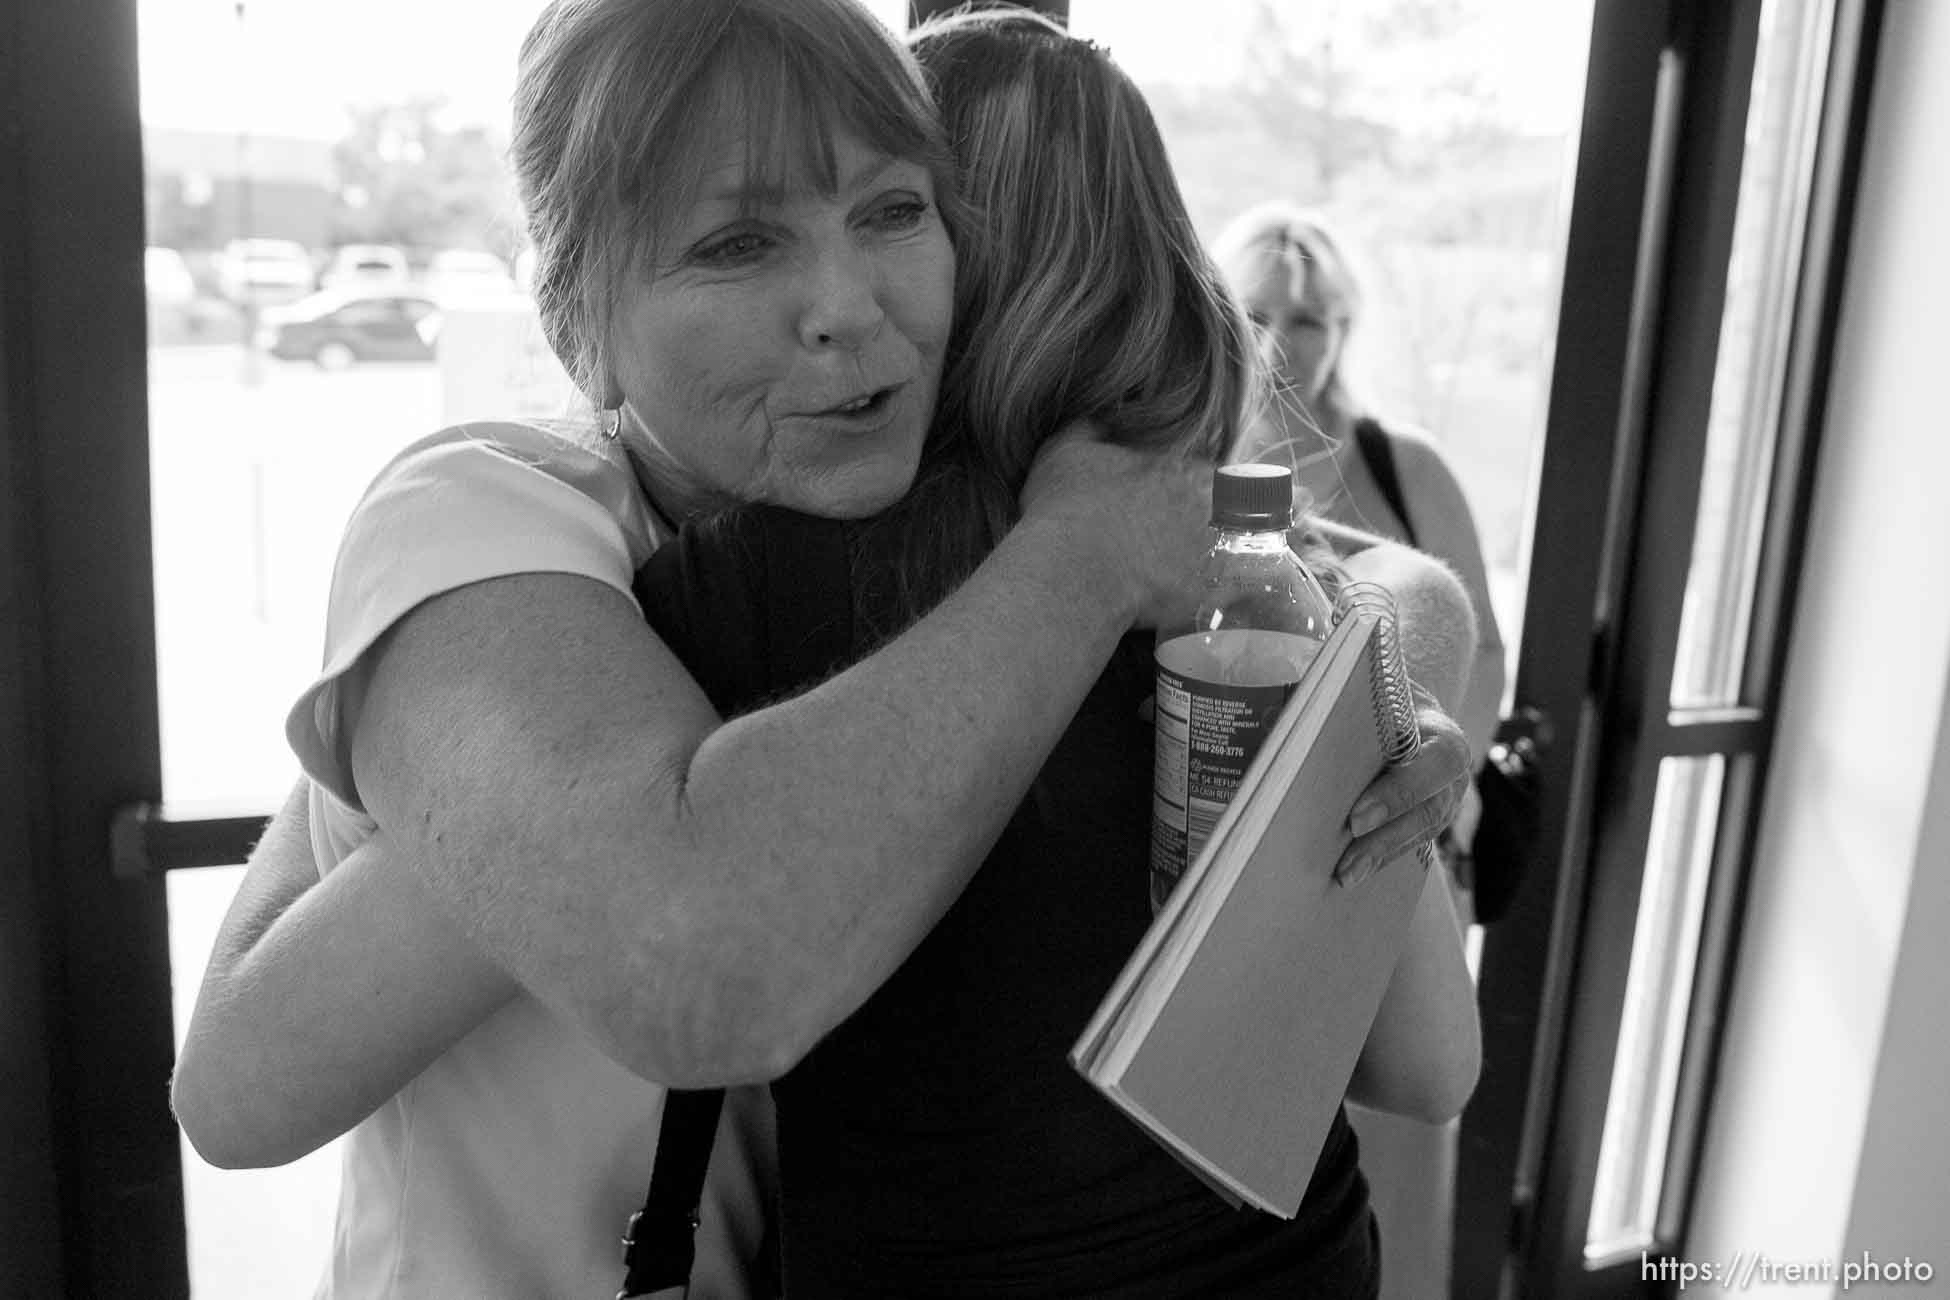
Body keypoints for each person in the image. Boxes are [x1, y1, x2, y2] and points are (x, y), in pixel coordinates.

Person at [172, 3, 1477, 1296]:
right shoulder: (517, 528)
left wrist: (1382, 671)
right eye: (738, 242)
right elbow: (243, 1090)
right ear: (575, 318)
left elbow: (1369, 570)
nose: (845, 307)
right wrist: (1091, 558)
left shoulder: (967, 563)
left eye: (895, 212)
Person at [1217, 201, 1509, 1300]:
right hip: (1273, 866)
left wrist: (1445, 781)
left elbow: (1481, 641)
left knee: (1413, 1116)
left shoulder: (1404, 462)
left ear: (1347, 327)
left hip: (1407, 836)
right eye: (1259, 312)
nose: (1287, 340)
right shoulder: (1210, 457)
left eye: (1314, 316)